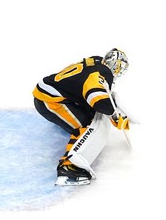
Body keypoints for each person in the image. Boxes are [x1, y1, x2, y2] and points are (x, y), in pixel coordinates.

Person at [33, 48, 130, 185]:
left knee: (90, 113)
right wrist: (115, 116)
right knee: (86, 125)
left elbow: (85, 84)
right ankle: (69, 168)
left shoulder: (96, 61)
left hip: (49, 92)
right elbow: (98, 99)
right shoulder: (104, 72)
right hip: (50, 102)